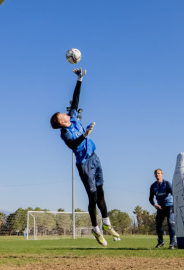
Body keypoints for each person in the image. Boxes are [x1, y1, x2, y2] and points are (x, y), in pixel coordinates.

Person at [50, 68, 120, 246]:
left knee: (102, 193)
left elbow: (75, 100)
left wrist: (79, 80)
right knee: (93, 198)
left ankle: (106, 224)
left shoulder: (73, 117)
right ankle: (96, 230)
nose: (66, 113)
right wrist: (86, 133)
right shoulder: (64, 134)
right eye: (62, 115)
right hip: (85, 165)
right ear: (61, 122)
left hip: (95, 158)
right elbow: (73, 145)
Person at [149, 168, 175, 250]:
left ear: (162, 174)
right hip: (160, 208)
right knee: (158, 225)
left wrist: (174, 206)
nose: (157, 175)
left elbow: (174, 194)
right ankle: (161, 242)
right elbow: (150, 198)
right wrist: (154, 205)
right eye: (156, 173)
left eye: (159, 173)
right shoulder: (153, 186)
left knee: (170, 223)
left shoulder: (167, 184)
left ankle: (172, 243)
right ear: (154, 175)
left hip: (169, 207)